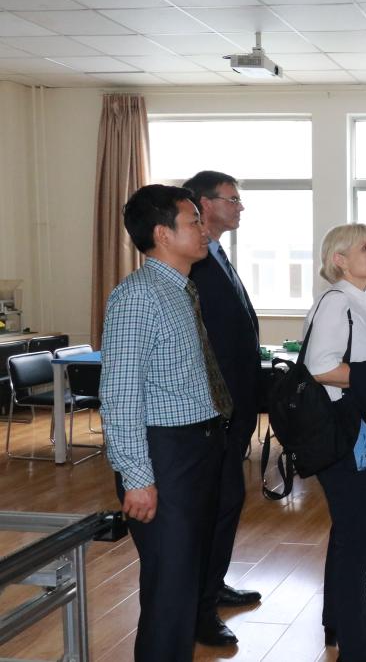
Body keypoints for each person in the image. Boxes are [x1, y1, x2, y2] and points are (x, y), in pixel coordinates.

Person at [99, 184, 232, 661]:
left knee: (186, 578)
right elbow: (119, 394)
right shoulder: (138, 297)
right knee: (170, 586)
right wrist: (137, 477)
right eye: (193, 221)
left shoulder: (179, 289)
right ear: (162, 234)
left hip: (198, 445)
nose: (204, 229)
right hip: (166, 454)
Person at [304, 224, 366, 662]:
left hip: (356, 432)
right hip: (344, 435)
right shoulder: (338, 303)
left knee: (347, 532)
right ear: (339, 260)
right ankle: (353, 648)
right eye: (365, 247)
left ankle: (339, 622)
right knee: (357, 536)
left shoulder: (354, 303)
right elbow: (320, 367)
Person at [183, 170, 262, 647]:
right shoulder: (191, 264)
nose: (239, 207)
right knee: (215, 503)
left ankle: (214, 584)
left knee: (229, 501)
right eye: (232, 199)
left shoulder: (215, 253)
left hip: (237, 401)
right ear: (204, 203)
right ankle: (199, 608)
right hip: (215, 406)